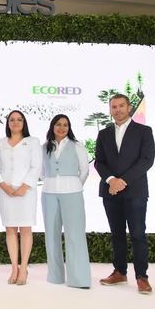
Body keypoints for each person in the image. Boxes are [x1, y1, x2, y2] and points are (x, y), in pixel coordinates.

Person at [95, 94, 155, 294]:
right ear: (110, 110)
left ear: (129, 107)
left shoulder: (144, 131)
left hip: (135, 191)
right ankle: (120, 272)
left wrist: (123, 181)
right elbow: (99, 162)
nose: (118, 110)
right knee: (117, 234)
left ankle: (142, 277)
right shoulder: (104, 134)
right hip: (110, 191)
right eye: (114, 106)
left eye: (121, 105)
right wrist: (112, 180)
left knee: (138, 234)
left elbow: (147, 160)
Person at [41, 114, 91, 289]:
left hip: (72, 193)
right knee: (51, 235)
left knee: (75, 235)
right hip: (49, 194)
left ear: (69, 128)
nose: (62, 128)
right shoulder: (44, 147)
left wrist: (74, 184)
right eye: (58, 124)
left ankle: (79, 279)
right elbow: (41, 172)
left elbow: (84, 171)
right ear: (52, 126)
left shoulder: (77, 146)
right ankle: (55, 276)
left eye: (65, 125)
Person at [0, 110, 42, 285]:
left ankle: (24, 268)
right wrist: (3, 185)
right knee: (10, 229)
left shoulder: (33, 142)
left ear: (24, 123)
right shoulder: (0, 143)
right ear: (8, 123)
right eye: (12, 120)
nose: (15, 122)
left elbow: (36, 166)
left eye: (19, 119)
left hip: (26, 192)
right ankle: (14, 267)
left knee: (26, 228)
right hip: (6, 192)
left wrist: (24, 186)